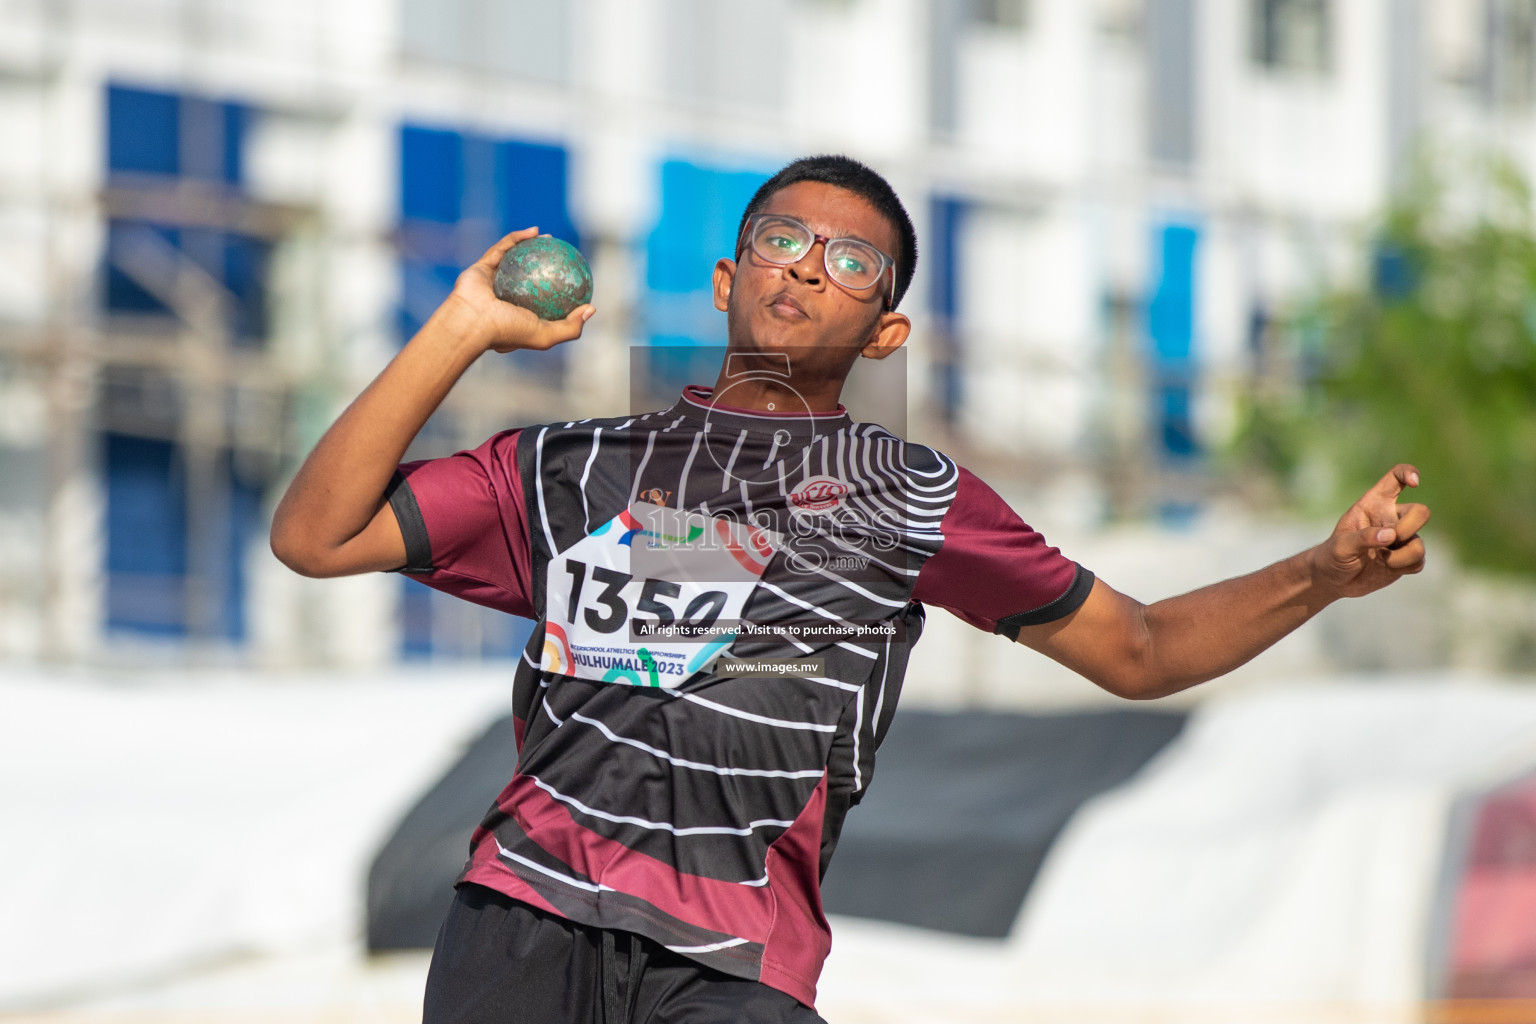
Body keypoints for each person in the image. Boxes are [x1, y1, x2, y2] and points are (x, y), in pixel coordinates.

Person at [270, 155, 1429, 1024]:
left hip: (733, 961)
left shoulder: (915, 497)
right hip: (521, 917)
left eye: (852, 262)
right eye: (783, 239)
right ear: (729, 274)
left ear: (887, 333)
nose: (808, 269)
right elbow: (316, 537)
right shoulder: (568, 467)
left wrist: (1323, 571)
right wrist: (463, 327)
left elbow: (1142, 651)